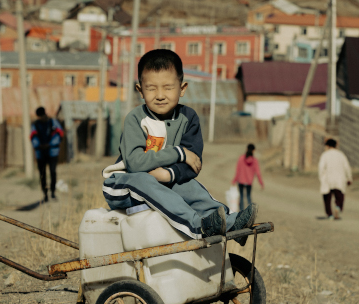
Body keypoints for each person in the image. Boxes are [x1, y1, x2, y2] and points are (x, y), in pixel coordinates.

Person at [101, 49, 258, 243]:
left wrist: (168, 174)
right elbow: (135, 163)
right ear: (140, 90)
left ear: (182, 88)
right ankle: (197, 226)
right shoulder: (135, 119)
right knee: (142, 180)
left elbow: (193, 163)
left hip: (161, 183)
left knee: (189, 186)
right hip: (123, 185)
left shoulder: (188, 118)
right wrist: (179, 152)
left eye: (168, 87)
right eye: (151, 88)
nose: (160, 95)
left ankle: (228, 221)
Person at [30, 106, 63, 202]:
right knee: (42, 175)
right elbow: (33, 136)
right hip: (40, 153)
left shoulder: (53, 122)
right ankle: (45, 194)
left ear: (45, 114)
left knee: (53, 172)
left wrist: (49, 144)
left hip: (52, 152)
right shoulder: (35, 125)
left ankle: (53, 193)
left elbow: (59, 134)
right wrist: (40, 145)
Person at [318, 138, 352, 220]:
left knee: (327, 198)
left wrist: (321, 178)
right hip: (339, 179)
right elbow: (347, 167)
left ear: (328, 146)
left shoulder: (325, 155)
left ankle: (330, 214)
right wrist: (349, 178)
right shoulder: (341, 155)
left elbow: (321, 168)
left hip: (328, 179)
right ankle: (338, 207)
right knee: (339, 196)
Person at [232, 144, 264, 211]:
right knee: (248, 197)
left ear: (246, 149)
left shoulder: (241, 158)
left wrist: (234, 180)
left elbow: (237, 171)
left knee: (241, 197)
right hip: (249, 182)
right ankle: (250, 212)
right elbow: (258, 173)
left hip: (241, 181)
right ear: (254, 151)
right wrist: (261, 183)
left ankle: (241, 212)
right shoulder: (255, 161)